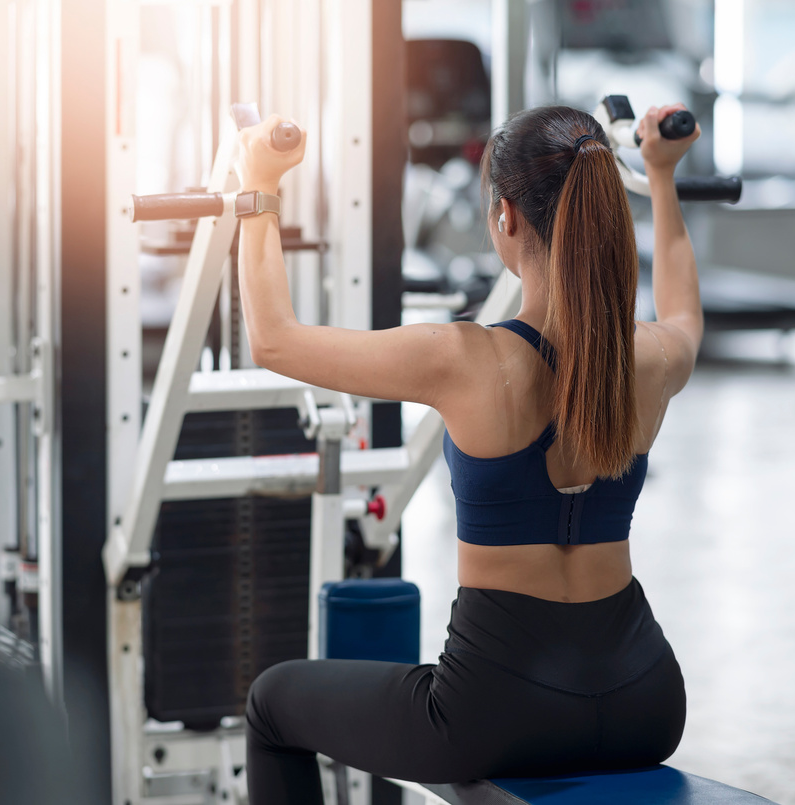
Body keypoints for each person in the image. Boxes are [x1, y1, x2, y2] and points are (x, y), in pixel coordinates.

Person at [233, 103, 703, 804]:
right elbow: (685, 312)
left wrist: (258, 184)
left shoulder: (461, 359)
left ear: (506, 217)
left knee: (272, 701)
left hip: (496, 714)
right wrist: (661, 180)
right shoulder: (652, 356)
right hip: (646, 702)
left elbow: (273, 339)